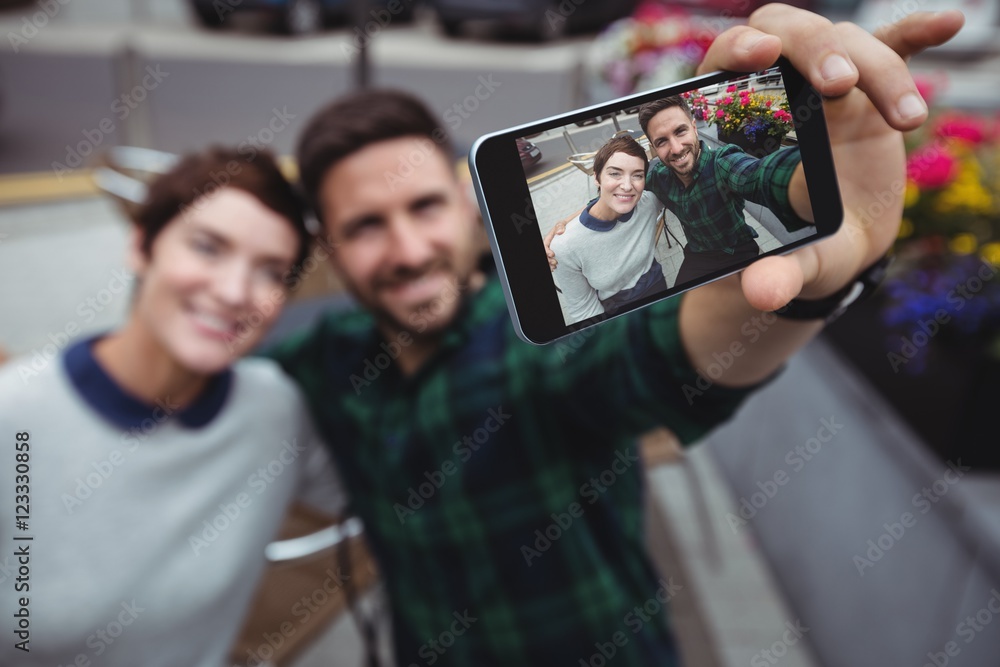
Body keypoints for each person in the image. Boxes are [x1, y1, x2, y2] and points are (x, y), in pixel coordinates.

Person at [266, 6, 963, 665]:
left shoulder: (536, 345)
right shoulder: (327, 358)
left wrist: (817, 274)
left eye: (424, 207)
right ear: (327, 245)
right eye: (366, 226)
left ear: (464, 205)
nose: (409, 248)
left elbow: (662, 357)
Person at [0, 147, 346, 667]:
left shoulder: (276, 410)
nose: (233, 291)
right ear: (141, 244)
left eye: (270, 271)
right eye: (208, 247)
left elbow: (397, 493)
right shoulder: (15, 417)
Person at [547, 95, 812, 287]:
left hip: (738, 250)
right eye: (662, 141)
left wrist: (805, 177)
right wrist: (564, 225)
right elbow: (612, 194)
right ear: (652, 146)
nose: (675, 149)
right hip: (697, 253)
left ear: (695, 128)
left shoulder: (723, 163)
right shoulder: (657, 175)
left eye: (681, 131)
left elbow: (758, 175)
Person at [549, 134, 666, 323]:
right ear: (596, 177)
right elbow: (583, 307)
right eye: (615, 173)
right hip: (616, 309)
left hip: (657, 284)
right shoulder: (565, 246)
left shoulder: (648, 202)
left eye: (637, 175)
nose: (627, 186)